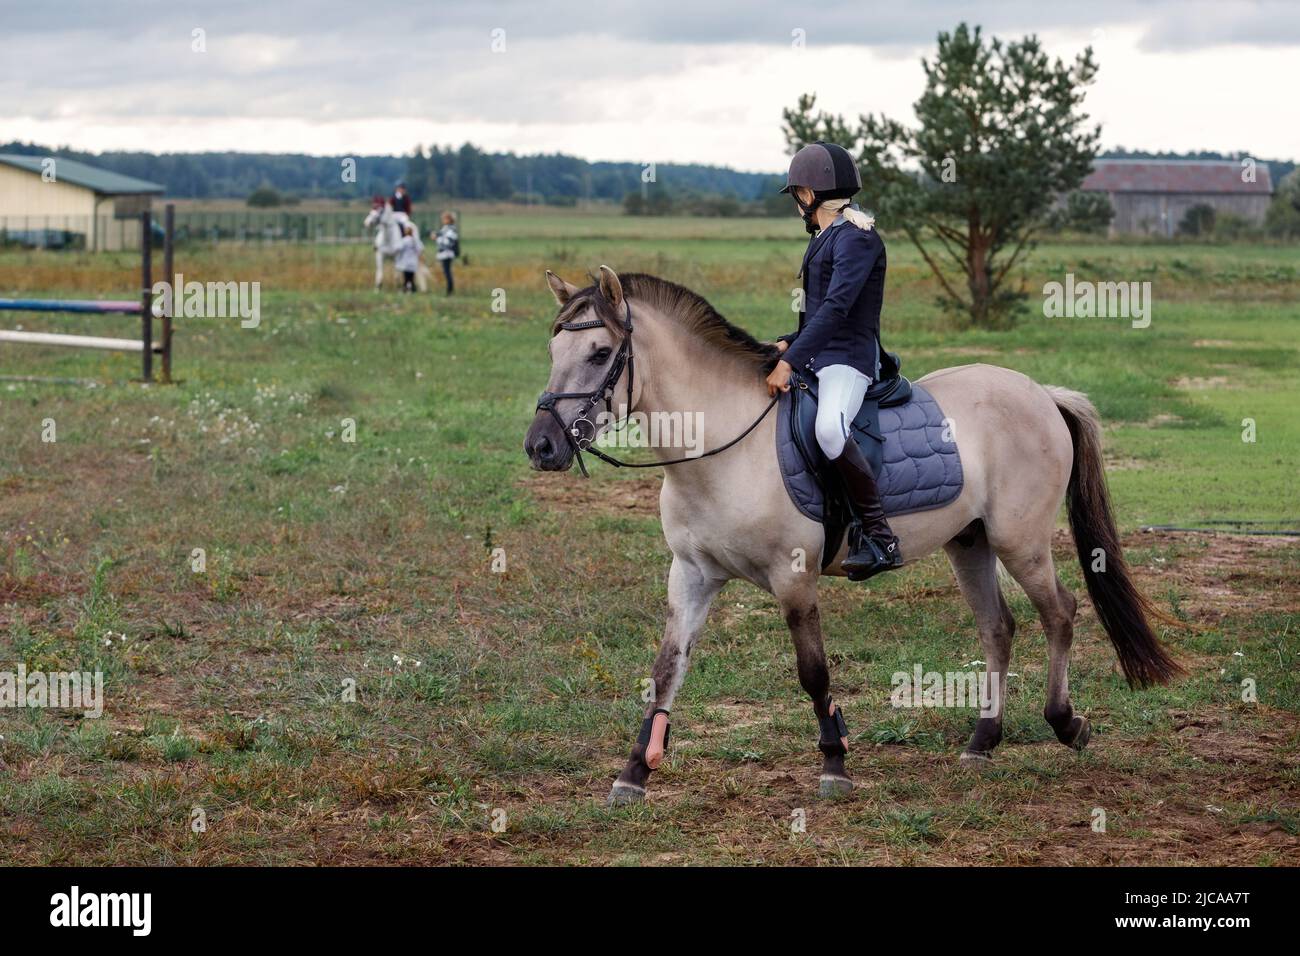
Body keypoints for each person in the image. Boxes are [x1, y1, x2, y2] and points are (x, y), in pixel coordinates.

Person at [765, 141, 902, 581]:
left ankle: (879, 536)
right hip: (818, 354)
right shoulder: (825, 238)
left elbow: (838, 309)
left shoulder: (857, 239)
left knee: (828, 429)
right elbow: (815, 312)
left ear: (810, 194)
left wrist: (791, 361)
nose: (796, 205)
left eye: (797, 196)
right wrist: (788, 343)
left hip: (849, 359)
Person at [434, 211, 459, 295]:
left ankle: (449, 290)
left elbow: (447, 242)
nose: (443, 220)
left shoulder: (450, 229)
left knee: (447, 272)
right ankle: (449, 290)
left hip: (447, 253)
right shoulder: (446, 228)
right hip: (445, 253)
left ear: (449, 219)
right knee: (447, 272)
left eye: (444, 219)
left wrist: (437, 239)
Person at [394, 223, 423, 292]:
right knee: (412, 277)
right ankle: (412, 288)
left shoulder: (404, 240)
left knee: (406, 277)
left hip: (406, 261)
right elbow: (420, 249)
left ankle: (406, 288)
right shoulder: (415, 240)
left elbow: (398, 248)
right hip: (413, 261)